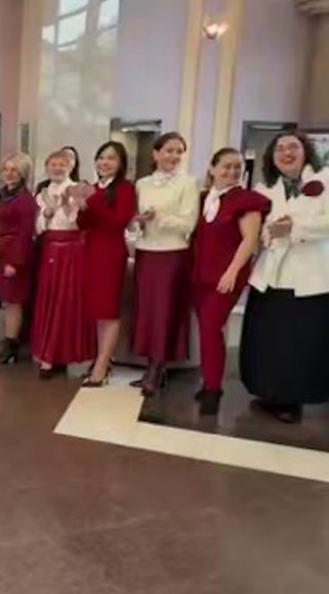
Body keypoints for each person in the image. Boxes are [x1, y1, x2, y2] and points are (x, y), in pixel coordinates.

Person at [241, 131, 329, 424]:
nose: (286, 153)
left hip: (308, 276)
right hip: (270, 274)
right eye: (280, 148)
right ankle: (269, 392)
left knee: (300, 343)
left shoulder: (326, 180)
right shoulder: (266, 188)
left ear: (306, 151)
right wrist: (269, 232)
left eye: (293, 147)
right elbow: (260, 229)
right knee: (268, 340)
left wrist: (295, 228)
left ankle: (293, 400)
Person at [190, 147, 269, 416]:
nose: (233, 171)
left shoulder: (247, 200)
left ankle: (213, 389)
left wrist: (233, 271)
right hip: (199, 273)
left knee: (211, 326)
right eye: (226, 166)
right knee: (207, 329)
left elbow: (250, 239)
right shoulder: (204, 198)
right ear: (212, 169)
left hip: (226, 275)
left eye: (237, 167)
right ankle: (209, 382)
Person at [132, 132, 199, 394]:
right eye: (169, 150)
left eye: (179, 151)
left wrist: (159, 217)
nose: (174, 156)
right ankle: (150, 363)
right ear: (156, 153)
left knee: (164, 311)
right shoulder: (142, 184)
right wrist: (139, 221)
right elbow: (135, 220)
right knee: (146, 311)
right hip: (146, 251)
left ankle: (157, 366)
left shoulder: (188, 183)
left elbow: (188, 224)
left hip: (172, 253)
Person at [76, 141, 137, 387]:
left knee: (108, 310)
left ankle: (101, 365)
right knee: (97, 310)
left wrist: (92, 201)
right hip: (91, 251)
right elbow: (84, 224)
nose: (105, 162)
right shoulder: (93, 188)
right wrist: (81, 207)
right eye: (101, 158)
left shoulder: (125, 189)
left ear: (121, 163)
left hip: (111, 253)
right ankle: (101, 358)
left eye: (111, 158)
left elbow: (118, 221)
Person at [30, 150, 94, 377]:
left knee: (66, 301)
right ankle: (47, 355)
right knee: (49, 298)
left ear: (70, 166)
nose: (57, 168)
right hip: (50, 249)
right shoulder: (43, 192)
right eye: (53, 164)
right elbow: (38, 227)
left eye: (62, 164)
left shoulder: (78, 189)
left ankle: (64, 354)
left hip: (71, 252)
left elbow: (79, 221)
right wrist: (47, 212)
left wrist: (68, 204)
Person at [0, 153, 37, 365]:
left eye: (14, 170)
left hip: (15, 255)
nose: (9, 174)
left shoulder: (25, 200)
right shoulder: (2, 195)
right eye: (6, 169)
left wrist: (14, 262)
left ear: (23, 173)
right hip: (1, 252)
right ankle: (11, 342)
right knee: (6, 300)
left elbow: (25, 233)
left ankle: (11, 344)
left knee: (13, 302)